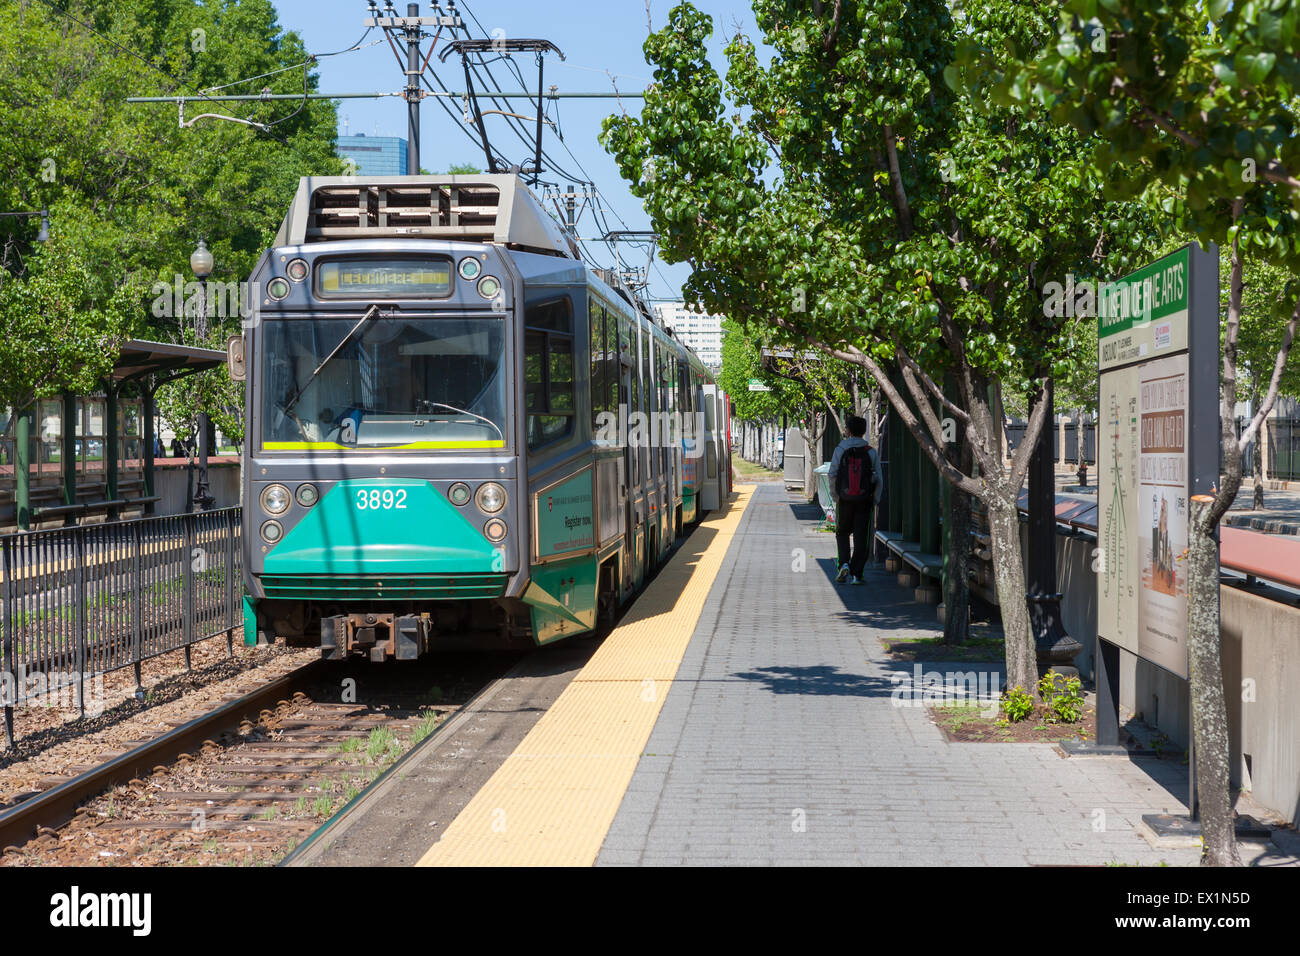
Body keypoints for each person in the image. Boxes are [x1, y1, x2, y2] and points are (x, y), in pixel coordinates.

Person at [828, 415, 883, 585]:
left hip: (844, 500)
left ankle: (843, 563)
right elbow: (879, 478)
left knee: (842, 532)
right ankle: (857, 574)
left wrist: (835, 496)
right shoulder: (870, 451)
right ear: (864, 431)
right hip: (864, 500)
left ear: (848, 431)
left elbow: (832, 474)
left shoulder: (840, 449)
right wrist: (875, 499)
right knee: (862, 536)